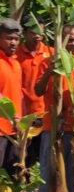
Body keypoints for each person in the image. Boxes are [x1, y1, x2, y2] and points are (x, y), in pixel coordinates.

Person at [34, 26, 74, 192]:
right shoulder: (49, 62)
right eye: (68, 39)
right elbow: (38, 90)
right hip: (53, 123)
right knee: (48, 165)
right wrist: (49, 71)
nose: (71, 43)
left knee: (73, 164)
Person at [18, 16, 52, 167]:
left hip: (46, 114)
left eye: (40, 30)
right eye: (33, 31)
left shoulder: (52, 53)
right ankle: (26, 189)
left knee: (44, 155)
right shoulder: (16, 55)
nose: (37, 34)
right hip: (25, 115)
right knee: (25, 157)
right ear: (24, 33)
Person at [0, 18, 23, 173]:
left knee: (13, 172)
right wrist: (13, 115)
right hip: (1, 129)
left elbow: (18, 94)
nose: (13, 43)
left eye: (16, 39)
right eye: (9, 39)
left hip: (14, 129)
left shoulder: (15, 63)